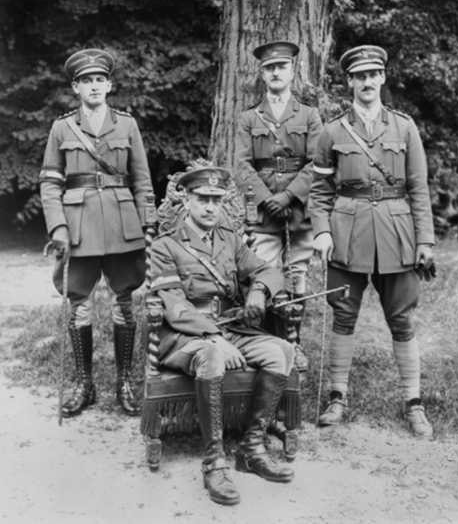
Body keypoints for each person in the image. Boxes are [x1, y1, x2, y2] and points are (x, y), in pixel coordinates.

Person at [150, 166, 295, 506]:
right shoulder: (165, 246)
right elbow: (173, 304)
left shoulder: (230, 240)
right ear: (187, 200)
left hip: (232, 327)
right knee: (212, 356)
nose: (211, 207)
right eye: (203, 199)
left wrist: (258, 290)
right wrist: (214, 337)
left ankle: (252, 448)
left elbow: (268, 270)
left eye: (216, 200)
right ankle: (214, 461)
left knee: (281, 351)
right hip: (185, 336)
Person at [309, 45, 435, 437]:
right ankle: (337, 396)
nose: (366, 82)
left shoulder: (404, 127)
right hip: (348, 232)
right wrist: (323, 231)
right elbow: (319, 191)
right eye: (359, 75)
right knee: (343, 316)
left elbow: (418, 188)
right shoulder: (332, 131)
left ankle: (413, 402)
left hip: (398, 233)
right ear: (349, 81)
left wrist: (425, 241)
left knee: (401, 318)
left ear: (382, 78)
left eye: (373, 74)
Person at [39, 48, 153, 418]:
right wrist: (57, 225)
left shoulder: (127, 125)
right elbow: (50, 182)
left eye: (99, 79)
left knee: (124, 301)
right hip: (78, 227)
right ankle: (84, 384)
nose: (94, 86)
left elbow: (142, 179)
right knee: (79, 304)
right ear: (75, 87)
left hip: (122, 224)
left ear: (109, 84)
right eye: (86, 80)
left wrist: (147, 223)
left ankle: (123, 382)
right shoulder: (62, 127)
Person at [234, 41, 323, 370]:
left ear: (292, 72)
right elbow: (242, 166)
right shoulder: (248, 118)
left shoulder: (310, 116)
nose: (275, 72)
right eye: (269, 68)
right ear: (262, 74)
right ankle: (271, 346)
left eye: (281, 67)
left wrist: (291, 194)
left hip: (299, 211)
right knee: (268, 275)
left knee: (297, 276)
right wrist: (267, 198)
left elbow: (318, 163)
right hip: (263, 213)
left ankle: (294, 344)